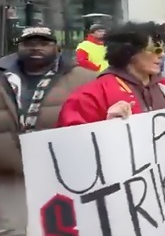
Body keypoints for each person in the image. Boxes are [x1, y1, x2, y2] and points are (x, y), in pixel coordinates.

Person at [55, 22, 165, 236]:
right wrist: (104, 126)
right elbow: (67, 147)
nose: (162, 55)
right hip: (122, 207)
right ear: (130, 53)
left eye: (164, 49)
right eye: (155, 49)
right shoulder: (92, 94)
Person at [0, 26, 97, 235]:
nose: (36, 48)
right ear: (18, 47)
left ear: (57, 47)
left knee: (58, 228)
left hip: (60, 172)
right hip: (8, 173)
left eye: (44, 43)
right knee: (11, 229)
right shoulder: (3, 76)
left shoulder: (84, 78)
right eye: (29, 43)